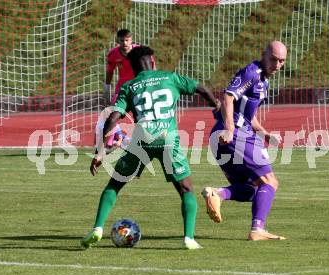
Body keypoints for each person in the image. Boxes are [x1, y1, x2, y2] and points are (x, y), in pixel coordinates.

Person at [82, 46, 221, 250]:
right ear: (153, 61)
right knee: (185, 189)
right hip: (167, 138)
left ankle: (97, 229)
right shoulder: (170, 77)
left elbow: (113, 117)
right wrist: (216, 103)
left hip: (142, 139)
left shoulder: (130, 86)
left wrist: (101, 152)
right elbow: (200, 88)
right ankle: (189, 239)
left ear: (132, 66)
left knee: (114, 185)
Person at [203, 40, 287, 241]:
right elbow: (228, 97)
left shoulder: (263, 81)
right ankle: (257, 230)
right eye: (274, 59)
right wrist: (230, 129)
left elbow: (249, 115)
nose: (277, 65)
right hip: (235, 135)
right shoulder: (252, 73)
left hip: (226, 137)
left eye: (281, 61)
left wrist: (265, 134)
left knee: (254, 190)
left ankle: (217, 194)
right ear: (264, 55)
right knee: (270, 182)